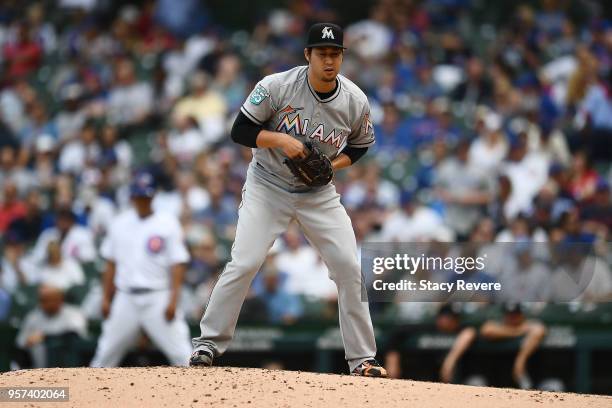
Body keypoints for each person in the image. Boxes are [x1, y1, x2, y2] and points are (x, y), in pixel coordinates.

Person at [190, 23, 387, 377]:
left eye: (335, 53)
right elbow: (240, 130)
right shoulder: (275, 86)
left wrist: (332, 164)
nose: (329, 60)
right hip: (268, 185)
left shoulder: (355, 100)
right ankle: (208, 342)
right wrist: (281, 141)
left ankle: (362, 360)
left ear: (342, 56)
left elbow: (359, 146)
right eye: (322, 53)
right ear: (307, 54)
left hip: (318, 194)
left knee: (348, 268)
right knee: (245, 261)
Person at [90, 172, 192, 367]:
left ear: (153, 196)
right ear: (132, 197)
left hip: (158, 297)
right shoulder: (119, 223)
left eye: (146, 196)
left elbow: (178, 264)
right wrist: (105, 297)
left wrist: (173, 300)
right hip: (125, 298)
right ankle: (90, 397)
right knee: (104, 356)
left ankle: (204, 395)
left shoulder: (167, 222)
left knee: (183, 355)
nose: (142, 200)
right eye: (139, 196)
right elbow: (111, 263)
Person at [16, 285, 87, 368]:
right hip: (38, 370)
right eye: (42, 300)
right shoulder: (32, 317)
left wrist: (45, 337)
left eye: (48, 300)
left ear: (60, 300)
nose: (44, 304)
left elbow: (75, 335)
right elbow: (20, 344)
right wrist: (28, 341)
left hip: (70, 368)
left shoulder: (74, 314)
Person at [480, 303, 547, 389]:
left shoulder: (529, 325)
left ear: (522, 314)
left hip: (525, 374)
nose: (512, 317)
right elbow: (486, 330)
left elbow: (539, 329)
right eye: (509, 314)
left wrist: (520, 361)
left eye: (515, 314)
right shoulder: (500, 325)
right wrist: (517, 331)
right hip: (496, 376)